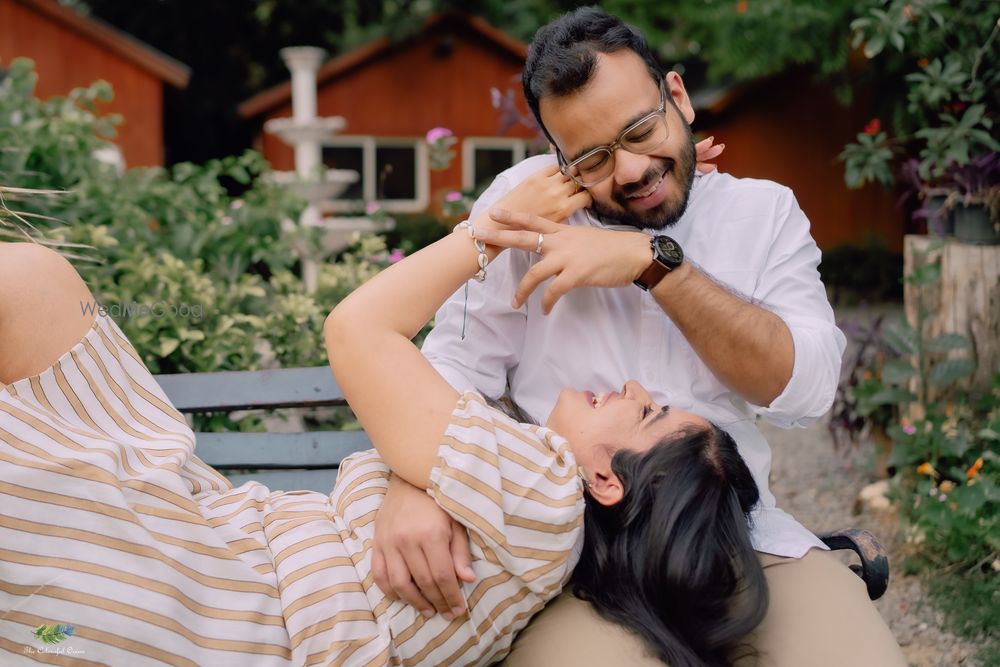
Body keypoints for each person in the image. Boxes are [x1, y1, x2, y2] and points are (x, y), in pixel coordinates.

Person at [0, 160, 761, 666]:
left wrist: (489, 229)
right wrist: (413, 481)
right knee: (33, 288)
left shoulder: (541, 496)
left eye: (650, 411)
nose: (631, 387)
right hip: (223, 551)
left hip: (223, 609)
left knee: (26, 289)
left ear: (606, 480)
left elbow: (356, 331)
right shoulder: (533, 515)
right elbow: (425, 425)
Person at [371, 7, 908, 667]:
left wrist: (654, 263)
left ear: (677, 97)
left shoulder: (762, 212)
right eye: (593, 157)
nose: (628, 170)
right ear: (558, 158)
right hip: (570, 561)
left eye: (641, 130)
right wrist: (411, 483)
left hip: (746, 541)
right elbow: (453, 365)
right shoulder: (519, 208)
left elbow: (806, 389)